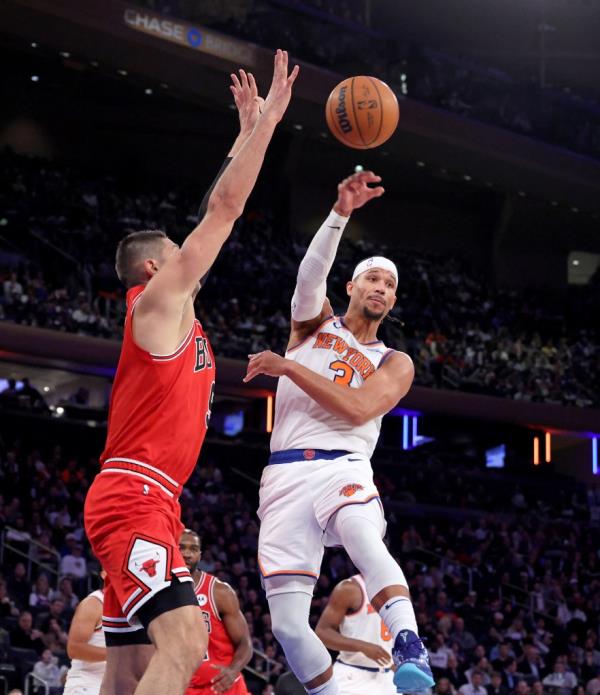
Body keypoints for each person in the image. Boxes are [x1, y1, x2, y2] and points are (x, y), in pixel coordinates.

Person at [83, 50, 298, 695]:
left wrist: (242, 132)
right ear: (155, 269)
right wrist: (269, 125)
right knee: (181, 644)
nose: (190, 256)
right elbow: (225, 211)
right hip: (135, 499)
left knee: (126, 668)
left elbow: (215, 205)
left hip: (148, 500)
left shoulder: (176, 316)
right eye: (179, 253)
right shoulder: (154, 305)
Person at [244, 173, 433, 695]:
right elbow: (309, 277)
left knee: (361, 534)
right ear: (351, 287)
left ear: (392, 302)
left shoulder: (394, 362)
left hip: (341, 465)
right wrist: (340, 212)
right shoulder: (312, 326)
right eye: (373, 278)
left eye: (390, 285)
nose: (381, 288)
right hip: (283, 474)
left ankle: (409, 644)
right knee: (285, 624)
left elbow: (355, 410)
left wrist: (291, 369)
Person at [179, 529, 252, 694]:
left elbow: (245, 643)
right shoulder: (160, 593)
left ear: (200, 554)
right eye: (181, 547)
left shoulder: (219, 591)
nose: (187, 554)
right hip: (184, 688)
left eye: (193, 549)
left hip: (224, 687)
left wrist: (233, 670)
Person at [315, 574, 395, 694]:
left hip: (388, 678)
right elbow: (322, 632)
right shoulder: (350, 588)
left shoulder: (397, 588)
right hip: (352, 677)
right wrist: (362, 646)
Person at [63, 586, 106, 695]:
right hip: (87, 683)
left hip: (117, 685)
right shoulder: (94, 603)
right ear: (105, 573)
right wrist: (119, 653)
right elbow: (74, 648)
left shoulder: (135, 606)